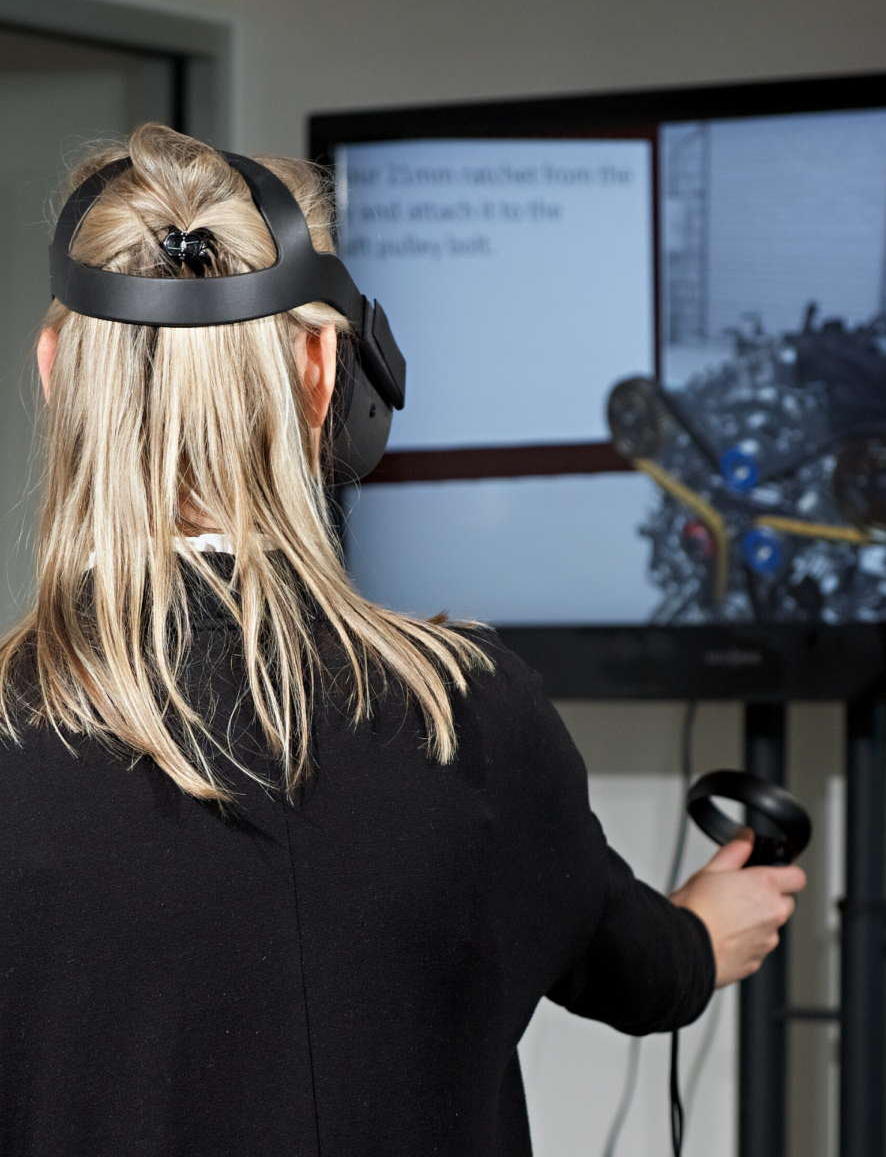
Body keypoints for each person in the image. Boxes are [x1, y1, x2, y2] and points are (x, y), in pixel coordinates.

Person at [0, 124, 804, 1156]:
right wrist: (704, 930)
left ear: (57, 367)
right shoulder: (465, 713)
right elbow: (641, 965)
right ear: (326, 371)